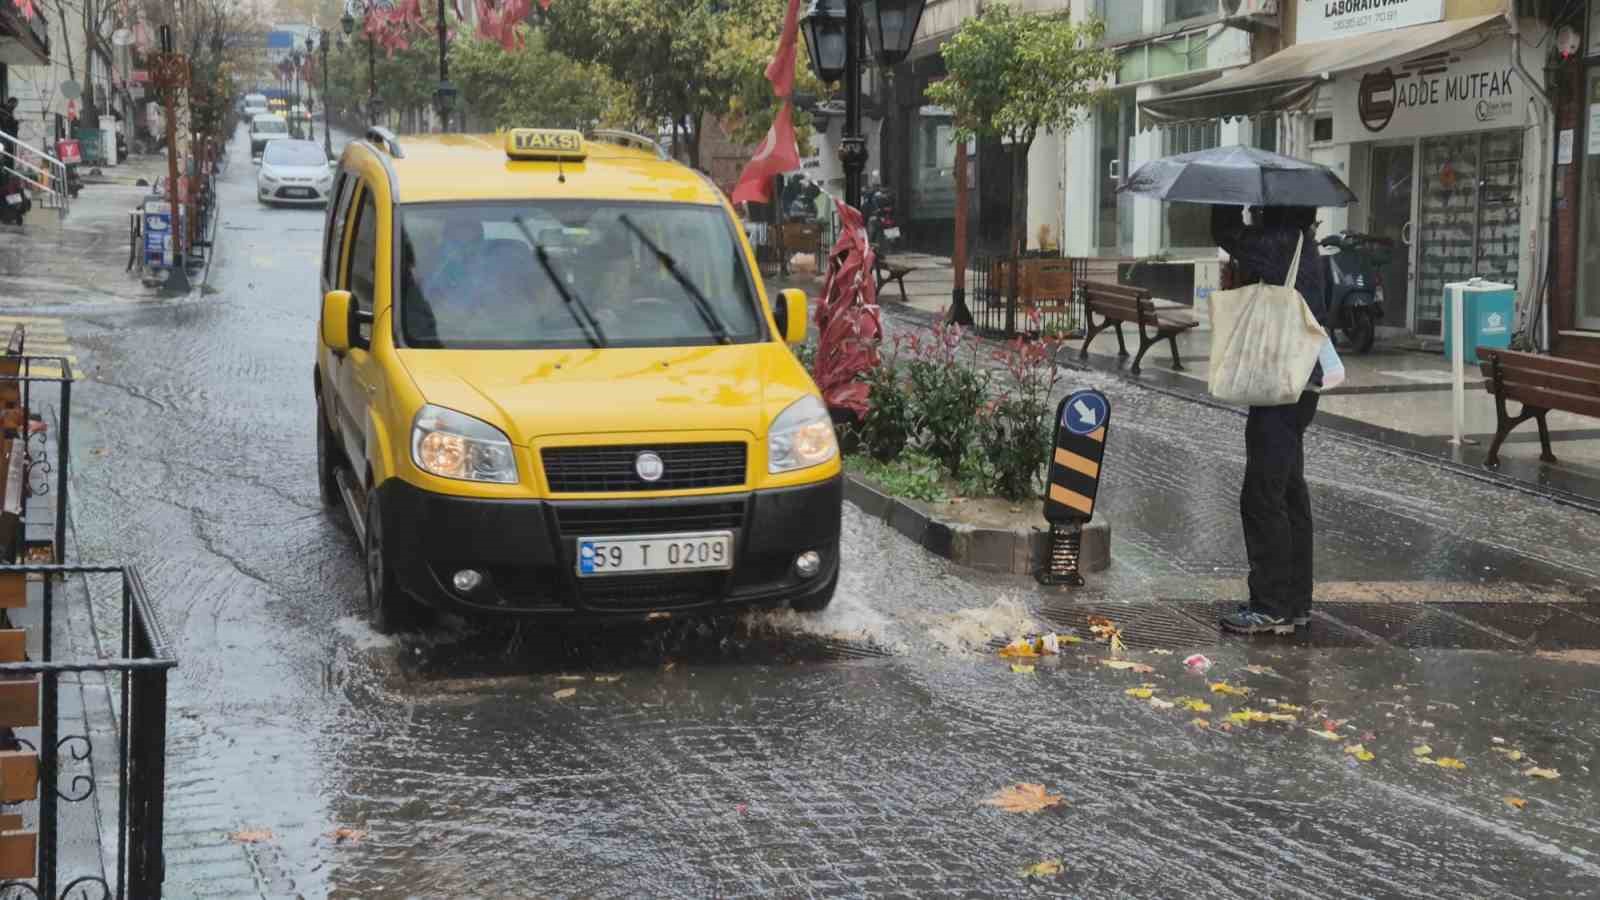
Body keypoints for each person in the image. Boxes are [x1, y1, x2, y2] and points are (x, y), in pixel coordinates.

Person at [1211, 204, 1329, 636]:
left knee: (1262, 495)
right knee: (1289, 493)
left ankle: (1271, 605)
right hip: (1300, 385)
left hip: (1280, 386)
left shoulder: (1281, 245)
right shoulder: (1306, 247)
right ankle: (1295, 601)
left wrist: (1224, 196)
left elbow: (1225, 232)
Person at [0, 99, 19, 176]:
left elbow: (12, 126)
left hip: (7, 137)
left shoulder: (10, 114)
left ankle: (7, 170)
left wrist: (16, 123)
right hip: (3, 137)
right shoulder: (2, 109)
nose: (13, 106)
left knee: (9, 153)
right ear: (8, 102)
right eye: (12, 104)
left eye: (14, 105)